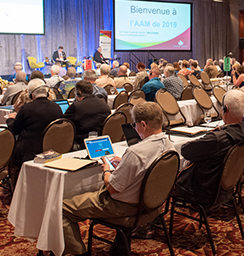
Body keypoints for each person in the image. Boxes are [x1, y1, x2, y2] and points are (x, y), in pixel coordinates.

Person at [62, 102, 175, 256]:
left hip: (127, 207)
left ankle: (78, 253)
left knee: (62, 209)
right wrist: (125, 164)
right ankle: (119, 247)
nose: (135, 128)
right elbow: (149, 171)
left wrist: (107, 171)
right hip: (153, 206)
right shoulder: (170, 147)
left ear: (143, 124)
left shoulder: (136, 152)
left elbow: (112, 188)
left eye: (135, 125)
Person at [174, 90, 244, 208]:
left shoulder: (217, 139)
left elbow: (185, 151)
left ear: (225, 109)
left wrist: (210, 136)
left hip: (204, 191)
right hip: (227, 187)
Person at [6, 79, 64, 169]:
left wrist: (10, 120)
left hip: (29, 151)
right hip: (52, 149)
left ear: (31, 95)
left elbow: (14, 130)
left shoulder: (26, 109)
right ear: (47, 94)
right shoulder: (57, 107)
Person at [64, 81, 111, 149]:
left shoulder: (76, 106)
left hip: (81, 143)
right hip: (102, 141)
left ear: (79, 92)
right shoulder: (104, 104)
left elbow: (63, 123)